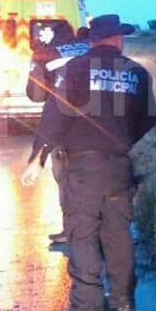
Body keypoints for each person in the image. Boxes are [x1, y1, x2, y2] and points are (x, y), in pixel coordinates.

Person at [22, 15, 156, 311]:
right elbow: (148, 118)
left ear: (93, 40)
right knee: (118, 234)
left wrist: (36, 159)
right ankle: (123, 299)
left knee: (82, 236)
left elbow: (54, 116)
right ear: (119, 39)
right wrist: (121, 140)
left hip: (83, 168)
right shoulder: (137, 72)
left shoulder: (76, 69)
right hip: (120, 167)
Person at [23, 25, 91, 244]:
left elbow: (36, 94)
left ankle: (71, 231)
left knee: (66, 180)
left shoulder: (47, 54)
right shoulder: (90, 48)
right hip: (100, 127)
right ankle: (99, 230)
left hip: (65, 128)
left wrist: (35, 66)